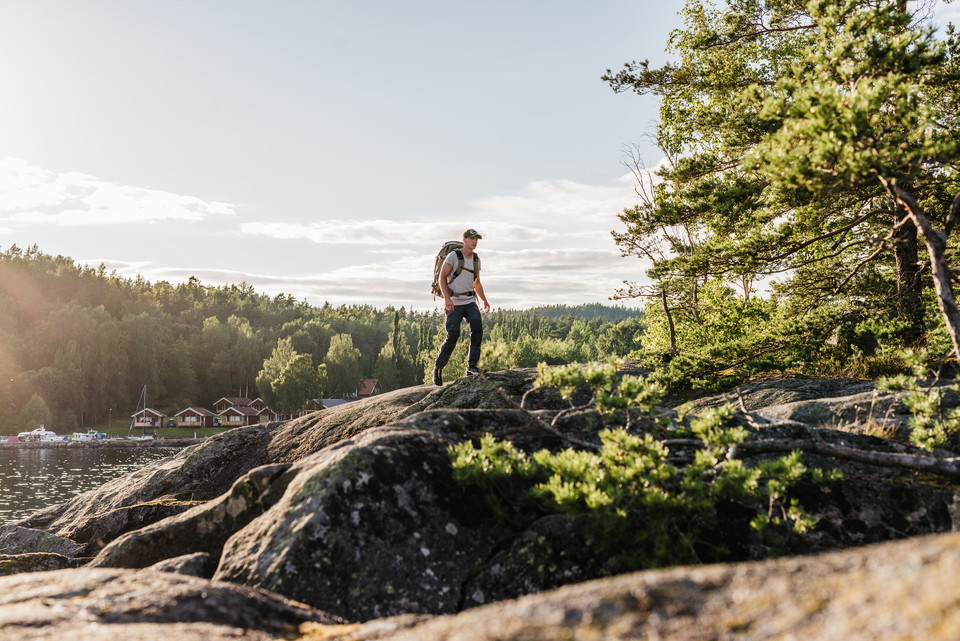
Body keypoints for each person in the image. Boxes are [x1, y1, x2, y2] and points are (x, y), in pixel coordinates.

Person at [432, 228, 490, 385]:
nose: (474, 241)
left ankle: (471, 367)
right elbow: (441, 278)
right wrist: (447, 299)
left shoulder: (476, 259)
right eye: (471, 239)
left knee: (477, 328)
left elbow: (476, 282)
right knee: (453, 335)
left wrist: (484, 300)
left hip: (470, 301)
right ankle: (437, 368)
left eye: (476, 239)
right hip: (454, 302)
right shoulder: (453, 256)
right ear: (464, 240)